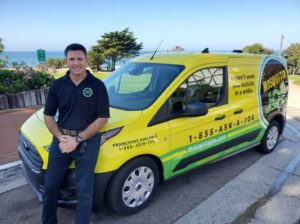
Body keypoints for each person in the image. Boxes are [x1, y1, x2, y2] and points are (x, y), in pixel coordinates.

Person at [42, 43, 110, 224]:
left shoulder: (97, 86)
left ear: (86, 60)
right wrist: (60, 137)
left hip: (87, 142)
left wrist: (78, 139)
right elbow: (48, 116)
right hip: (62, 140)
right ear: (66, 61)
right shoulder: (58, 85)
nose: (76, 63)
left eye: (80, 59)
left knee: (84, 191)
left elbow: (102, 119)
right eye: (72, 59)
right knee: (50, 187)